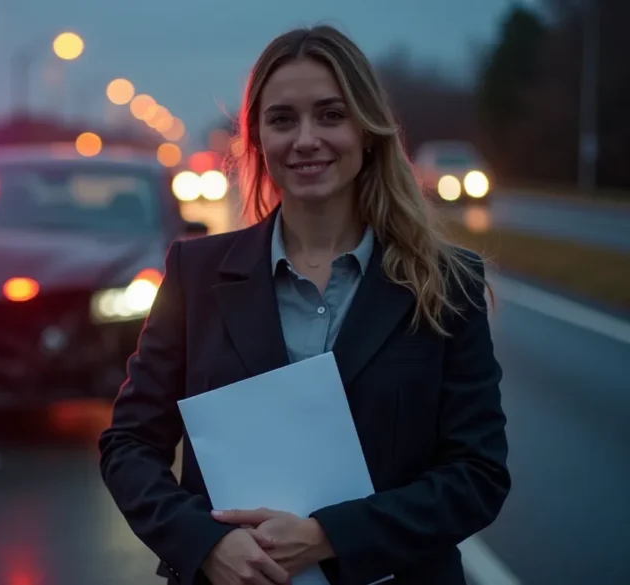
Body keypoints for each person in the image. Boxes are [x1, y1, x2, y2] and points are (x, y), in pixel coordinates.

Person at [98, 24, 510, 585]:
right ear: (257, 140)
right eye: (283, 119)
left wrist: (327, 538)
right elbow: (129, 444)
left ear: (368, 131)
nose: (306, 138)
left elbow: (477, 475)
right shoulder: (195, 275)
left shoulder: (446, 283)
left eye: (331, 115)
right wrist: (206, 543)